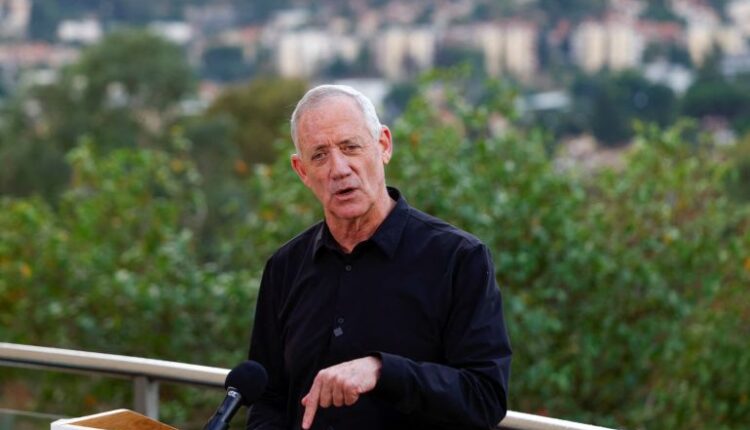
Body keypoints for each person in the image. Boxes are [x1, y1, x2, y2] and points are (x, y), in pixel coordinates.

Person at [246, 84, 512, 430]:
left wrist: (383, 370)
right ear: (302, 171)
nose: (339, 169)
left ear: (384, 145)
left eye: (350, 147)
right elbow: (267, 399)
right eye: (320, 155)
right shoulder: (284, 267)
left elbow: (485, 397)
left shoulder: (459, 259)